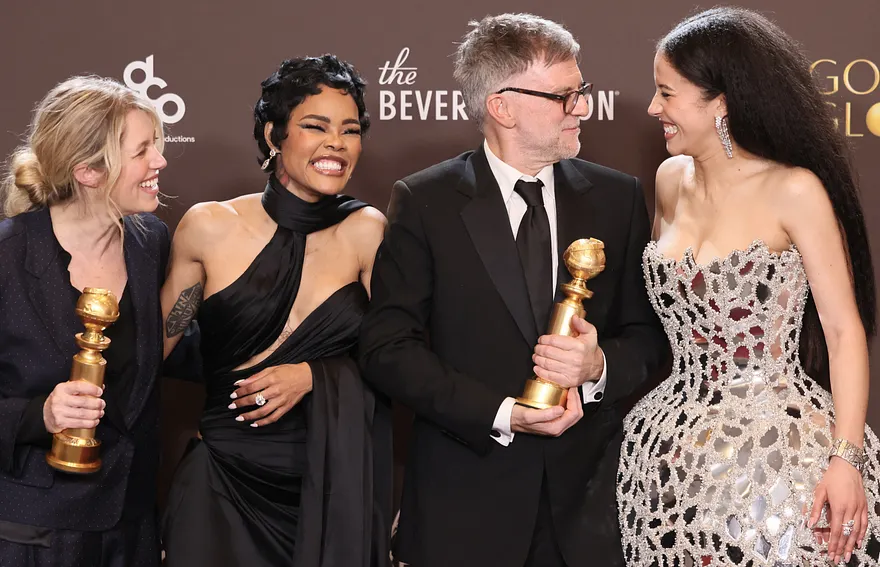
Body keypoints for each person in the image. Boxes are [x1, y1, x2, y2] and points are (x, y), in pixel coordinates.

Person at [358, 13, 667, 567]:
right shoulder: (426, 202)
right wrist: (503, 413)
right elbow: (388, 349)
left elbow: (649, 337)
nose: (582, 108)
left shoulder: (617, 198)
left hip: (588, 512)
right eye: (564, 96)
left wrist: (598, 366)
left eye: (581, 91)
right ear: (502, 107)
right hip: (465, 508)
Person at [617, 7, 880, 566]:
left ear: (721, 102)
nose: (653, 108)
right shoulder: (669, 181)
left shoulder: (794, 191)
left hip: (780, 455)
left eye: (667, 93)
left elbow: (843, 331)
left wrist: (846, 459)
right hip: (673, 455)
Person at [159, 55, 392, 567]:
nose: (336, 143)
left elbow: (398, 361)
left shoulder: (367, 232)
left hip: (327, 493)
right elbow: (149, 353)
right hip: (220, 488)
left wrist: (315, 376)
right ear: (274, 135)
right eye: (316, 126)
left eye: (350, 130)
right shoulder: (208, 227)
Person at [0, 76, 169, 566]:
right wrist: (40, 415)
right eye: (142, 151)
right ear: (89, 172)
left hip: (131, 525)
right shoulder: (8, 255)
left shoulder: (151, 242)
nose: (159, 161)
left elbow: (165, 350)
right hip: (35, 532)